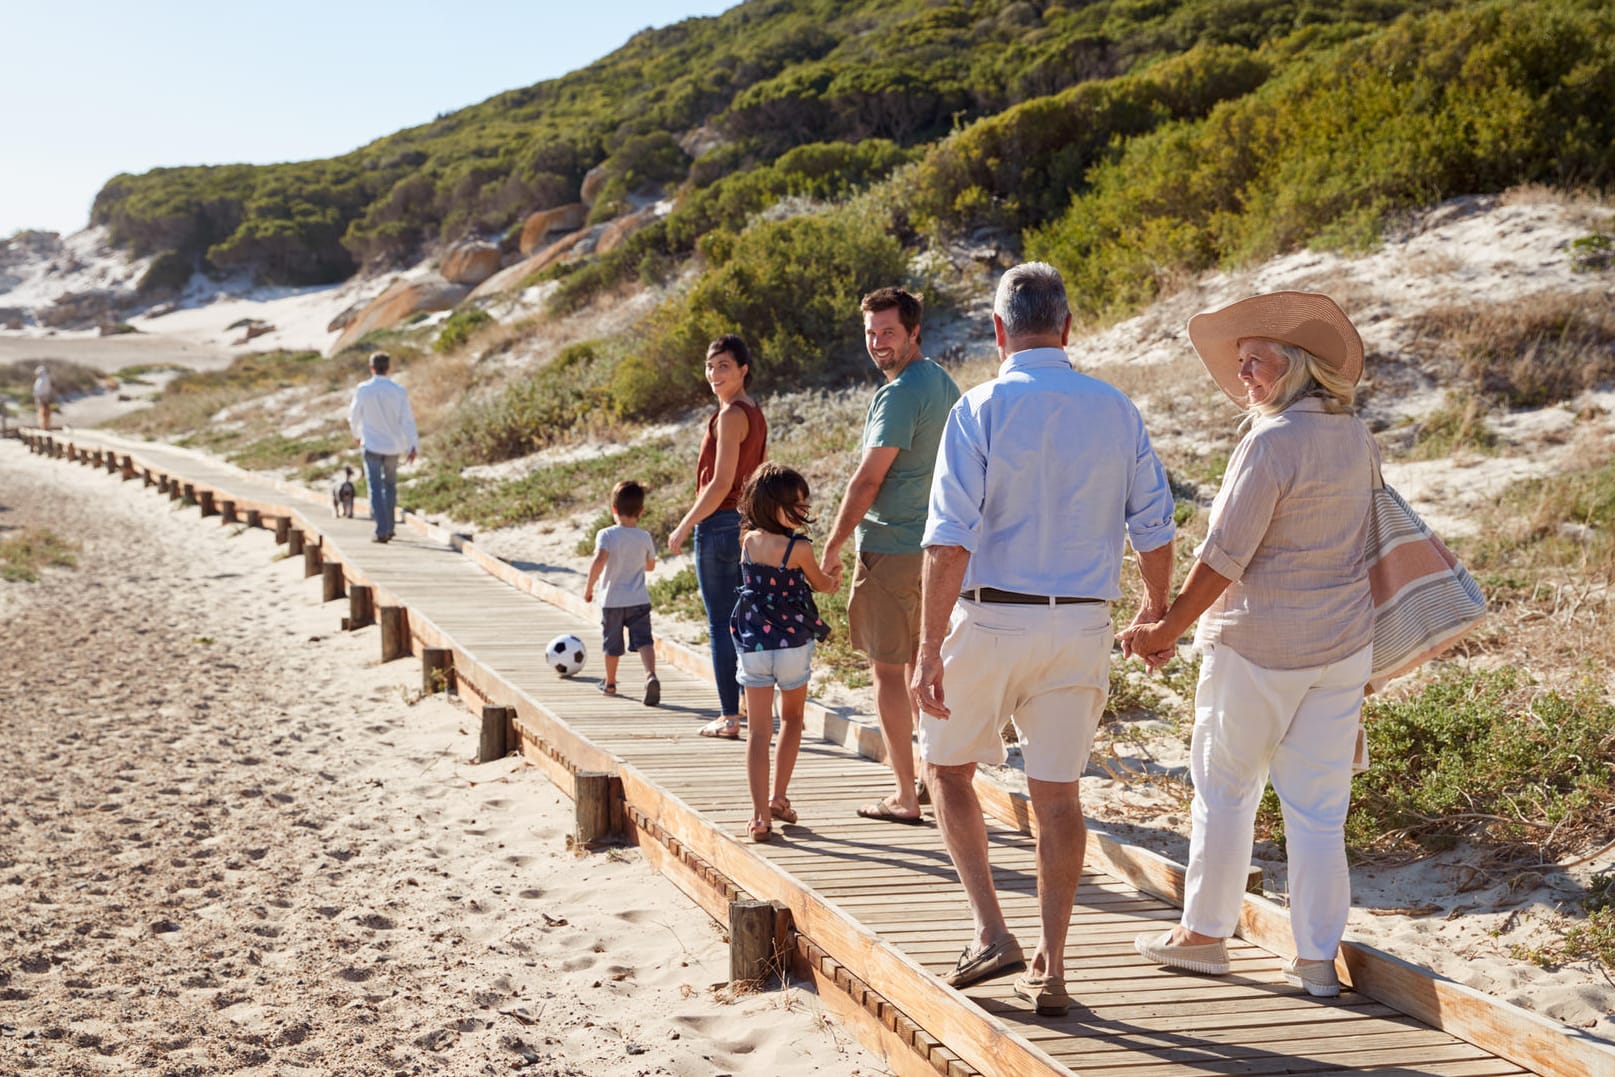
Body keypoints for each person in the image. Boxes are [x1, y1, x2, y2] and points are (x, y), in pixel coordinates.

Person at [913, 262, 1177, 1018]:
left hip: (992, 616)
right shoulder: (1115, 408)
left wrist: (930, 645)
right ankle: (1053, 967)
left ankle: (991, 929)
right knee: (1058, 796)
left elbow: (947, 541)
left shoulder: (979, 407)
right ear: (1066, 327)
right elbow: (1153, 525)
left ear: (998, 332)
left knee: (947, 767)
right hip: (1082, 622)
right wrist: (1155, 610)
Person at [1120, 291, 1374, 1000]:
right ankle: (1316, 960)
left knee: (1226, 789)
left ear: (1294, 365)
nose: (1245, 379)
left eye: (1255, 362)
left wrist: (1163, 627)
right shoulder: (1354, 435)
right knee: (1320, 810)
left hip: (1259, 643)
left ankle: (1203, 934)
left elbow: (1223, 556)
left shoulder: (1269, 442)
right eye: (1239, 366)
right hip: (1342, 643)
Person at [819, 287, 959, 825]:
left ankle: (905, 794)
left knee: (888, 673)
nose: (878, 343)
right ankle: (931, 778)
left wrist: (832, 545)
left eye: (889, 332)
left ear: (914, 332)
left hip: (893, 547)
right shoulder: (943, 383)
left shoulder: (899, 393)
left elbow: (868, 478)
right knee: (921, 670)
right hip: (941, 547)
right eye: (872, 333)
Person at [667, 335, 767, 739]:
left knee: (721, 625)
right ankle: (750, 708)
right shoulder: (753, 411)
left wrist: (684, 523)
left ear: (743, 369)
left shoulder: (730, 415)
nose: (714, 373)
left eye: (724, 365)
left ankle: (729, 716)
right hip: (744, 524)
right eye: (710, 366)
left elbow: (722, 480)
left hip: (720, 524)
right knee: (744, 623)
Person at [729, 463, 834, 841]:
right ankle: (778, 797)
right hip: (792, 645)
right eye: (798, 504)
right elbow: (822, 585)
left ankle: (759, 817)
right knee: (791, 719)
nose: (803, 510)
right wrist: (833, 577)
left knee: (758, 732)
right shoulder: (799, 547)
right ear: (778, 505)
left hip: (754, 644)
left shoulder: (748, 542)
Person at [584, 480, 661, 706]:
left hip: (612, 600)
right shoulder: (644, 537)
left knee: (612, 643)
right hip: (638, 599)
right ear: (641, 511)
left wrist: (589, 587)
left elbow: (599, 560)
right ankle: (651, 675)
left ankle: (610, 682)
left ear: (614, 509)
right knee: (645, 640)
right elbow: (651, 566)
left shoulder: (606, 535)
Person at [347, 351, 418, 543]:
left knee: (375, 488)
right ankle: (390, 527)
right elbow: (407, 420)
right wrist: (413, 445)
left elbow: (353, 416)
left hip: (371, 445)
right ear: (388, 368)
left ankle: (381, 530)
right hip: (393, 447)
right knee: (390, 486)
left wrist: (356, 435)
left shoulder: (363, 389)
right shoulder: (398, 390)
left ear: (371, 368)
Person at [32, 365, 53, 431]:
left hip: (43, 397)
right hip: (42, 397)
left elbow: (44, 390)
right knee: (42, 412)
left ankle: (45, 426)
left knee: (43, 413)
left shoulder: (44, 379)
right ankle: (43, 426)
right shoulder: (42, 379)